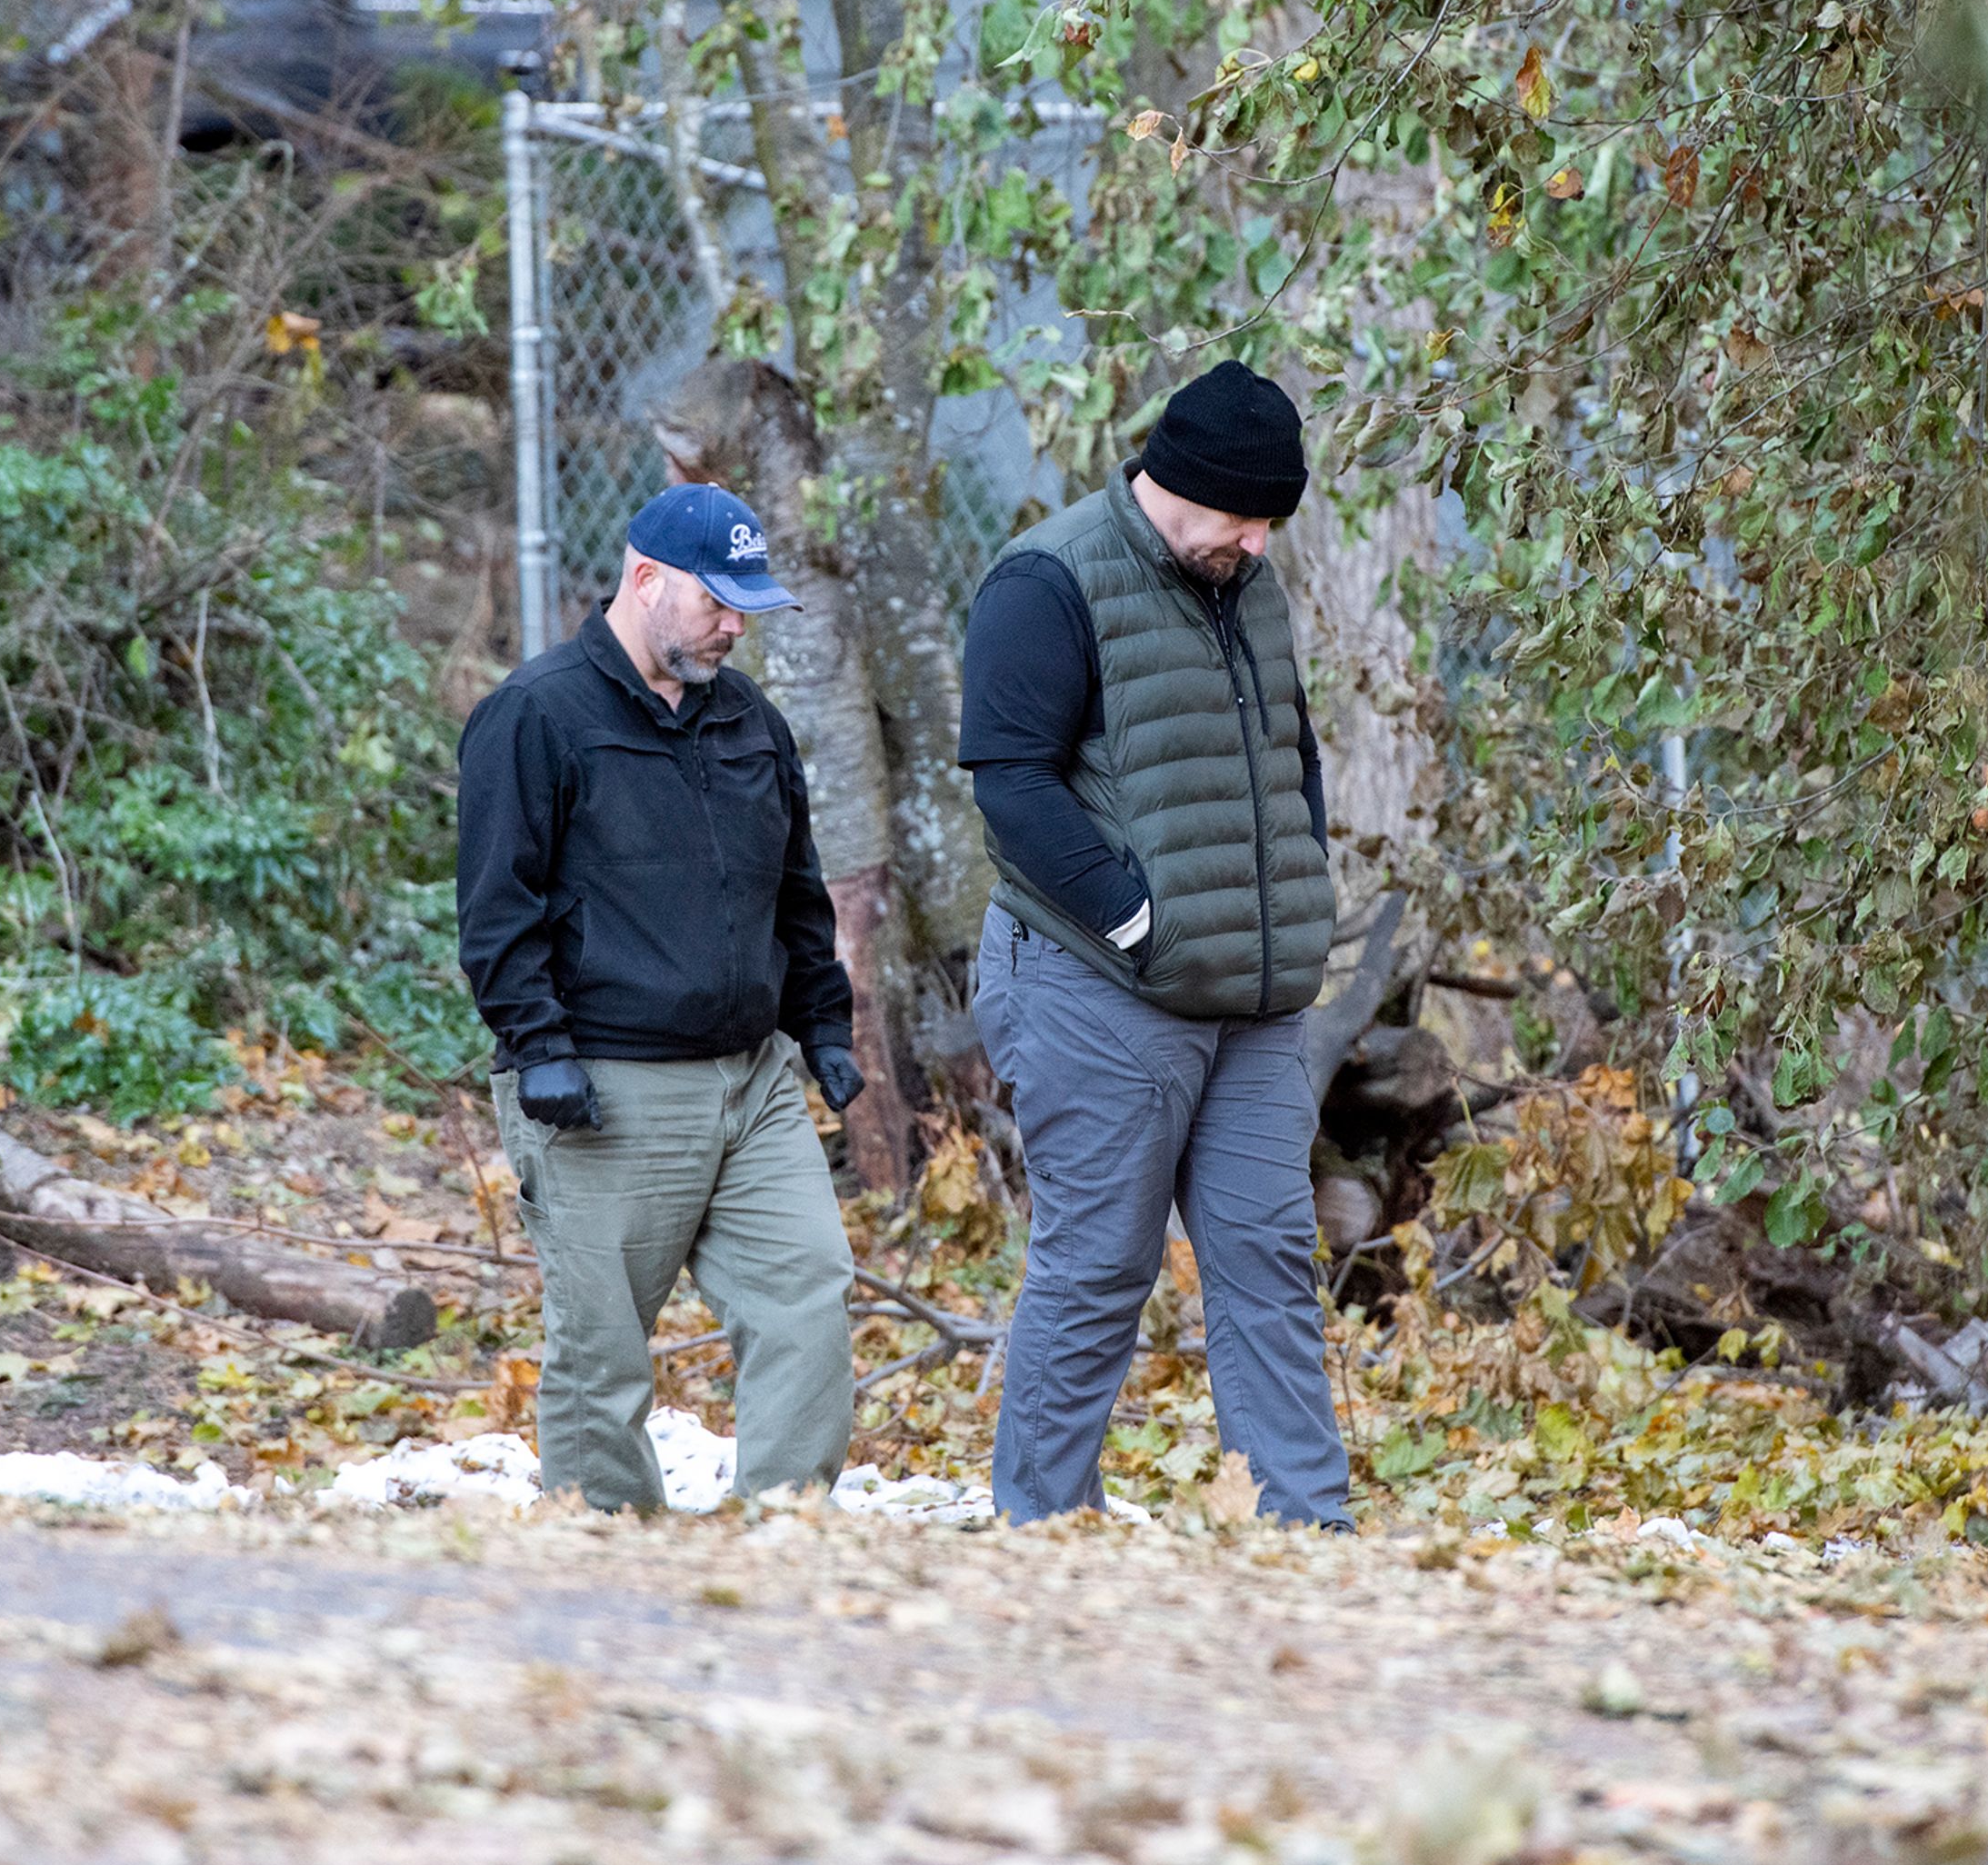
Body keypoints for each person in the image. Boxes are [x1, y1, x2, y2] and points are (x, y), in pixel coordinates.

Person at [960, 360, 1353, 1528]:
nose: (1261, 541)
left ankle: (1307, 1534)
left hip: (1251, 1003)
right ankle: (1042, 1529)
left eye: (1274, 520)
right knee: (1096, 1273)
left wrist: (1301, 885)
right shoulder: (1048, 579)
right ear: (1177, 485)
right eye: (1245, 516)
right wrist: (1139, 919)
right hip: (1097, 985)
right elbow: (1011, 783)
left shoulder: (1245, 583)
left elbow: (1292, 755)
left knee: (1270, 1265)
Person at [455, 484, 870, 1511]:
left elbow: (797, 891)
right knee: (603, 1356)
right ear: (645, 580)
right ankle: (607, 1560)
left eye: (746, 606)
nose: (735, 625)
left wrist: (822, 1026)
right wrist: (538, 1045)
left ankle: (788, 1532)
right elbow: (496, 910)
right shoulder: (537, 715)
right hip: (603, 1084)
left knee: (807, 1298)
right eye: (717, 602)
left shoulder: (749, 723)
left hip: (752, 1081)